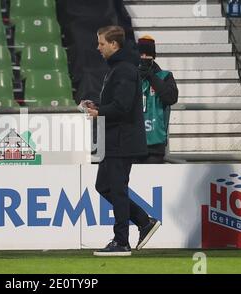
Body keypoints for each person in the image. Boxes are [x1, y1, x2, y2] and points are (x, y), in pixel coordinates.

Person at [86, 26, 161, 256]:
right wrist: (98, 107)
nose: (98, 48)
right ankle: (143, 221)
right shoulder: (118, 68)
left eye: (101, 43)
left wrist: (100, 112)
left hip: (122, 140)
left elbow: (123, 106)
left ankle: (121, 241)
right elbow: (118, 104)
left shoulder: (125, 70)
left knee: (117, 189)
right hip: (115, 139)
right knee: (105, 187)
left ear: (114, 45)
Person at [138, 36, 179, 164]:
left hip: (155, 144)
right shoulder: (129, 75)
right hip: (131, 143)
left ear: (154, 56)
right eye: (141, 54)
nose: (144, 57)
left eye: (148, 54)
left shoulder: (165, 76)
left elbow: (171, 98)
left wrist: (151, 76)